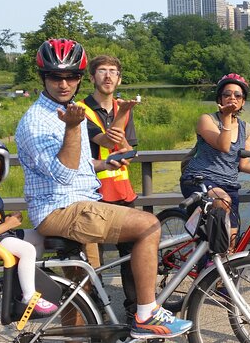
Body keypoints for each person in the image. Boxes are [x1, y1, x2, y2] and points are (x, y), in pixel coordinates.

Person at [15, 38, 191, 339]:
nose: (64, 83)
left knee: (80, 288)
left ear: (80, 78)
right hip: (62, 209)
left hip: (75, 203)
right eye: (56, 77)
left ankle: (75, 335)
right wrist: (73, 128)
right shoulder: (39, 121)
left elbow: (79, 164)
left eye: (71, 76)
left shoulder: (70, 110)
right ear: (43, 77)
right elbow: (64, 172)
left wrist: (101, 165)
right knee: (148, 225)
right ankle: (146, 313)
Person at [76, 54, 139, 320]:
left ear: (119, 78)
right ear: (92, 77)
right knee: (92, 257)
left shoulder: (120, 106)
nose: (108, 76)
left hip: (123, 190)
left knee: (131, 252)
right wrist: (124, 113)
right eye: (102, 71)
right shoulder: (81, 109)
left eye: (113, 71)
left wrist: (123, 115)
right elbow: (105, 138)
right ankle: (94, 311)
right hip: (92, 191)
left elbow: (129, 147)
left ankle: (134, 308)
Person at [180, 73, 250, 248]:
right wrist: (225, 118)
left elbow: (242, 164)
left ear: (243, 101)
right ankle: (207, 268)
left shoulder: (246, 128)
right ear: (219, 98)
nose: (232, 98)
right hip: (199, 179)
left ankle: (219, 273)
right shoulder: (207, 120)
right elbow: (223, 146)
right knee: (220, 216)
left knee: (231, 243)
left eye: (238, 95)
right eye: (227, 94)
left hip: (229, 185)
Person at [0, 137, 58, 316]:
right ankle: (29, 296)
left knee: (39, 237)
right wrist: (7, 225)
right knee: (27, 250)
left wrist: (8, 221)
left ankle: (27, 280)